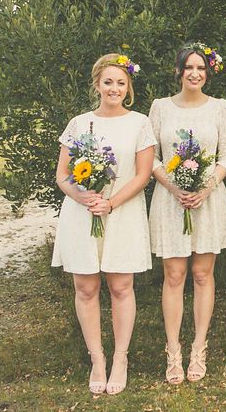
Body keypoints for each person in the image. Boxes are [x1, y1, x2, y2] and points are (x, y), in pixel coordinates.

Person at [52, 53, 157, 394]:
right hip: (82, 213)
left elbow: (143, 175)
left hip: (122, 212)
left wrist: (110, 202)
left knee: (120, 287)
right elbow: (62, 175)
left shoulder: (140, 123)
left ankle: (120, 358)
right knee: (85, 288)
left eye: (120, 83)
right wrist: (81, 197)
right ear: (97, 84)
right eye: (108, 82)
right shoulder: (79, 124)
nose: (114, 88)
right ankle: (97, 357)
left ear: (129, 88)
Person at [149, 43, 226, 384]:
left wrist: (205, 187)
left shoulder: (219, 108)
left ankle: (199, 347)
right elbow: (151, 158)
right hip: (171, 200)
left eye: (200, 68)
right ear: (179, 71)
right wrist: (175, 187)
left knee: (202, 274)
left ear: (207, 72)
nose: (195, 73)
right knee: (174, 276)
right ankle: (173, 352)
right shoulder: (159, 108)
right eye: (189, 68)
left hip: (207, 200)